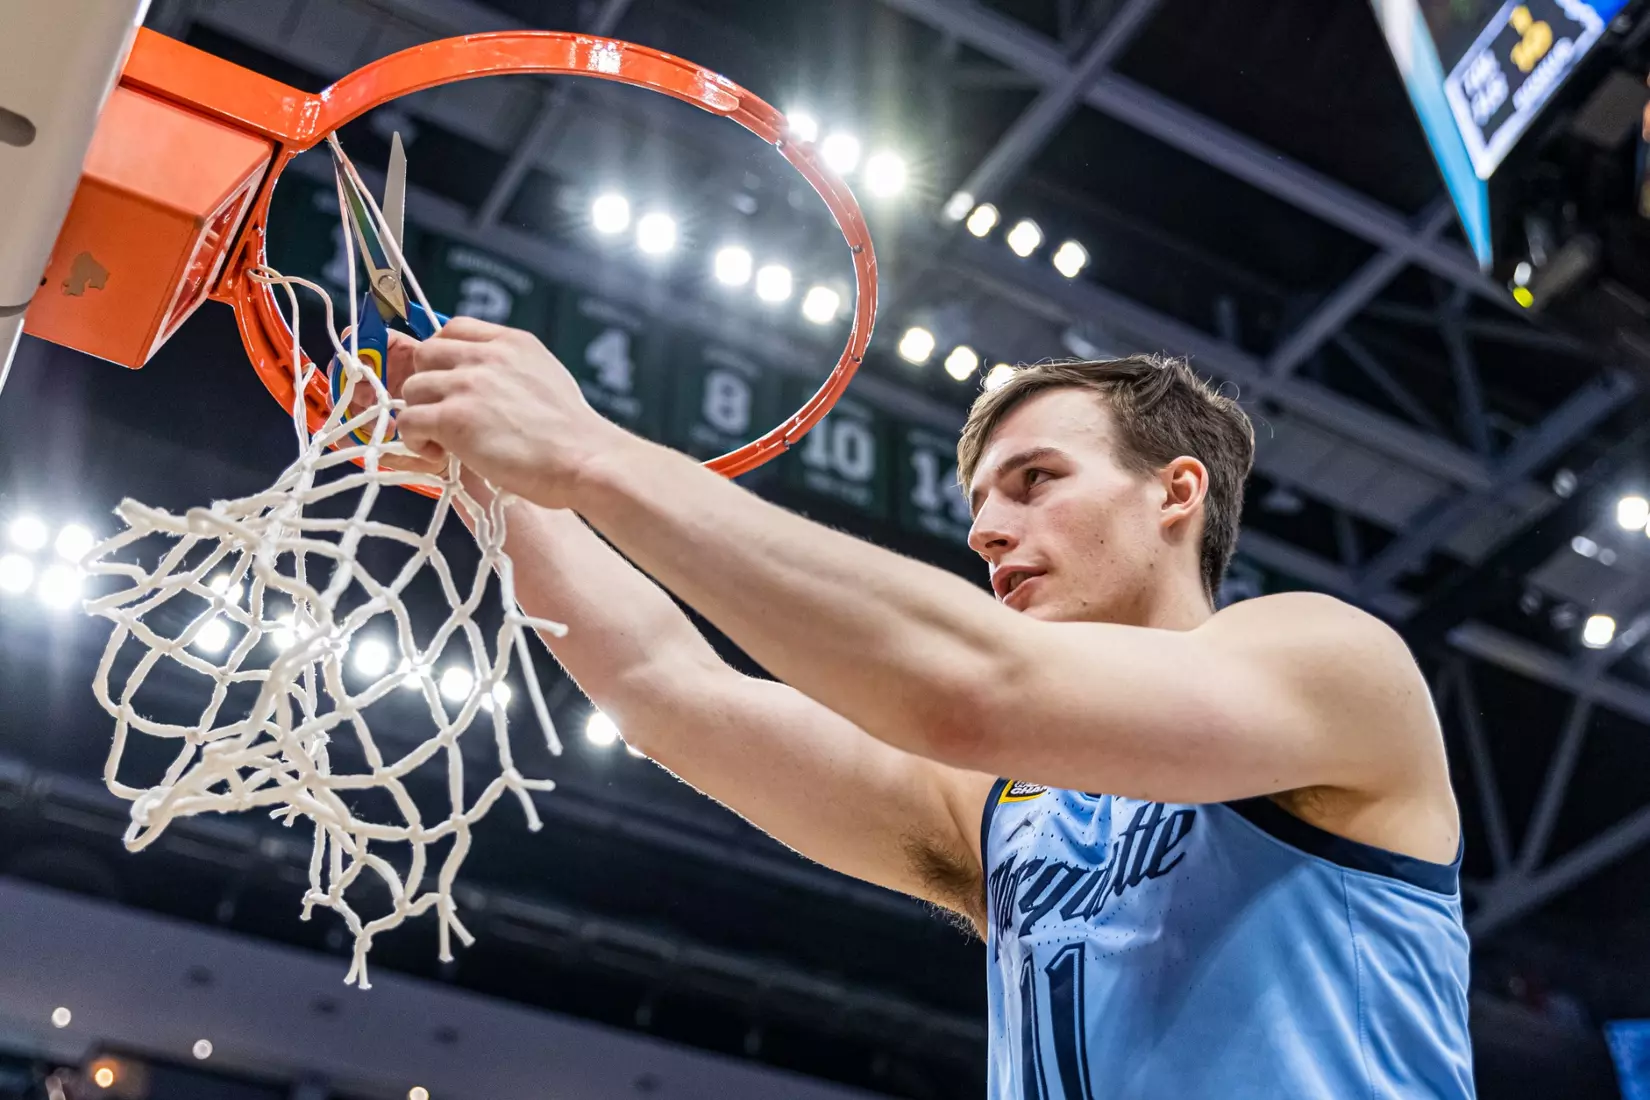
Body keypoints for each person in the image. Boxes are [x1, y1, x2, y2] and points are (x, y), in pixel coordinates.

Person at [380, 321, 1474, 1098]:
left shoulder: (1332, 663)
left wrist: (586, 453)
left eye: (1036, 480)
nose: (987, 528)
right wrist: (482, 477)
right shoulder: (1000, 805)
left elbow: (970, 689)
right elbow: (672, 692)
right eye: (981, 501)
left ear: (1175, 493)